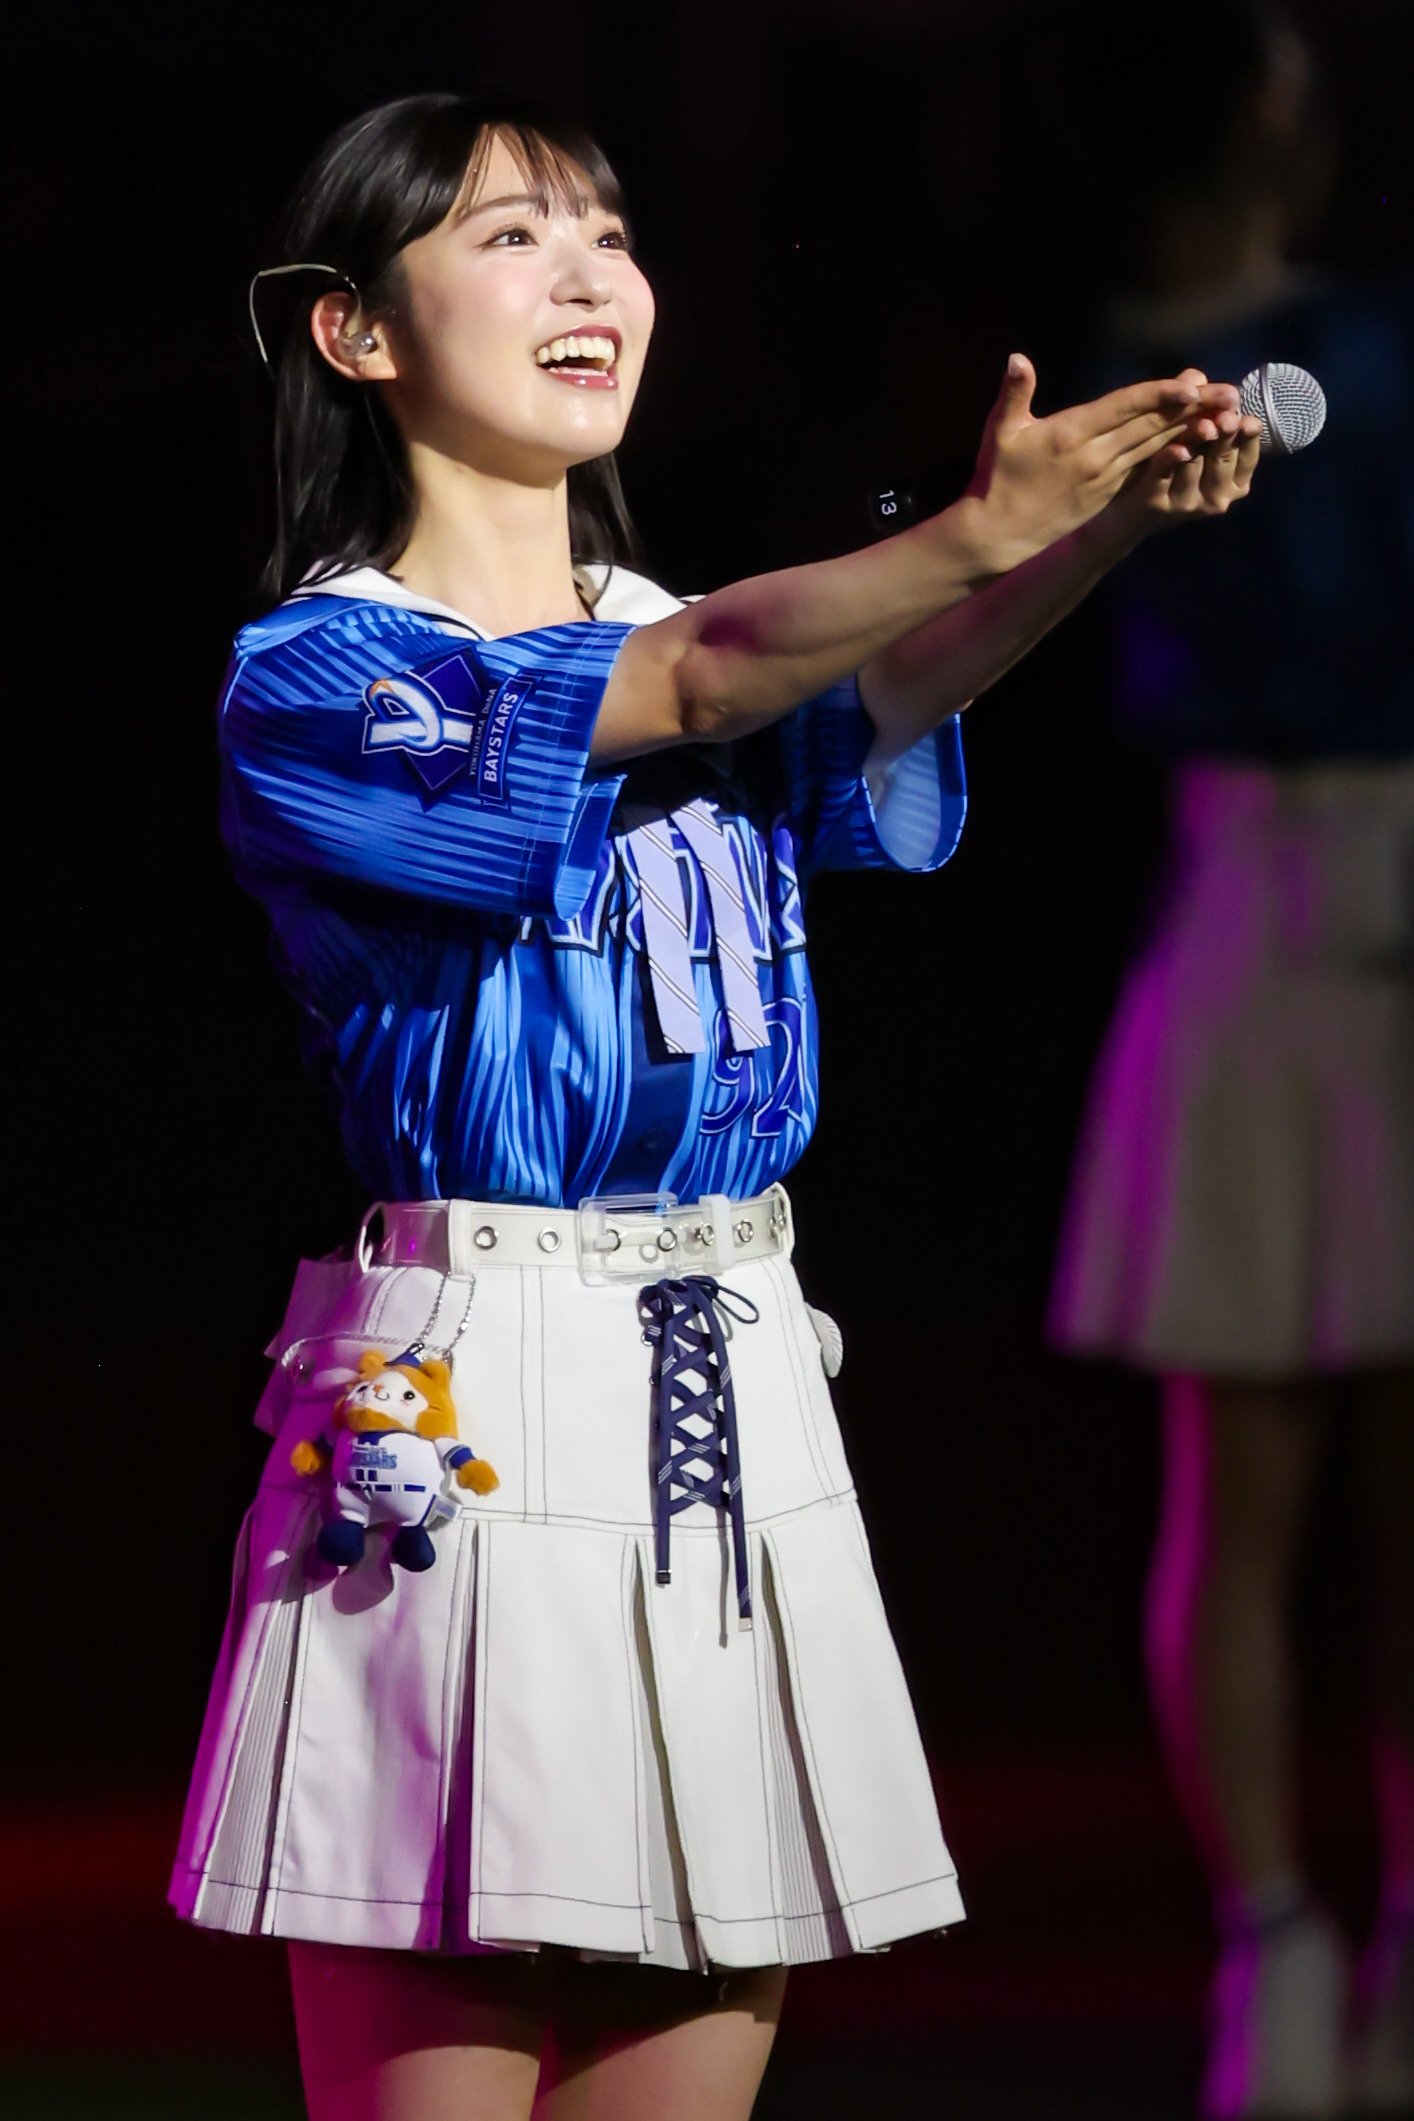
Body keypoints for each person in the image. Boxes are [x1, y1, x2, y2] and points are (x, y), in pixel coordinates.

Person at [170, 92, 1258, 2121]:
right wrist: (973, 522)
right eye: (510, 238)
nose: (586, 275)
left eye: (605, 231)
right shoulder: (319, 675)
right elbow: (702, 677)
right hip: (454, 1420)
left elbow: (876, 681)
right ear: (355, 334)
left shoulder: (688, 635)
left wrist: (1094, 520)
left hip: (731, 1382)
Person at [1048, 12, 1413, 2116]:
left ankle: (1312, 1950)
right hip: (1263, 908)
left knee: (1274, 1500)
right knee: (1269, 1492)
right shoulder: (1176, 372)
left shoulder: (1101, 359)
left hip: (1272, 921)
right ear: (1258, 109)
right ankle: (1279, 1957)